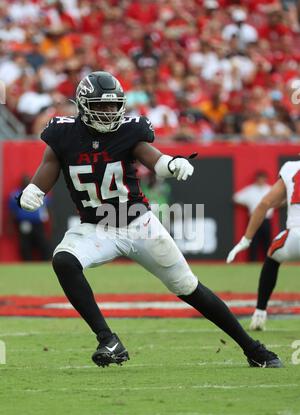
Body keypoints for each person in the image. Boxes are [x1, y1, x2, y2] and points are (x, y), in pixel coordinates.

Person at [17, 71, 282, 368]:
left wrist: (172, 163)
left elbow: (153, 157)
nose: (108, 112)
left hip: (138, 224)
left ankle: (253, 349)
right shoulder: (63, 133)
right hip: (96, 227)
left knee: (189, 288)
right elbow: (50, 163)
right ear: (82, 104)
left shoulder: (129, 130)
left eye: (112, 105)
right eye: (100, 106)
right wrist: (34, 189)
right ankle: (108, 339)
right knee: (64, 261)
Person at [227, 160, 300, 331]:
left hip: (296, 235)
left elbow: (265, 203)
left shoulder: (291, 167)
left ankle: (260, 312)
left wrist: (246, 239)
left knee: (272, 257)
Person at [9, 175, 51, 261]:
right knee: (25, 245)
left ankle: (46, 262)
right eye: (24, 181)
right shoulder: (16, 194)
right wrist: (10, 226)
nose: (26, 183)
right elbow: (12, 212)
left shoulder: (38, 194)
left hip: (38, 223)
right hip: (24, 223)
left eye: (28, 181)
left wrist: (49, 221)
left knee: (43, 243)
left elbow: (47, 208)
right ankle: (27, 263)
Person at [233, 171, 273, 261]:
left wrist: (273, 205)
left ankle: (269, 262)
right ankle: (252, 262)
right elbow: (236, 198)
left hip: (266, 219)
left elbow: (282, 200)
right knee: (253, 241)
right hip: (253, 219)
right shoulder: (250, 190)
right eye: (259, 178)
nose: (261, 180)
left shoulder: (270, 189)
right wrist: (248, 204)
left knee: (267, 242)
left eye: (263, 178)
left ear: (265, 179)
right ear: (256, 179)